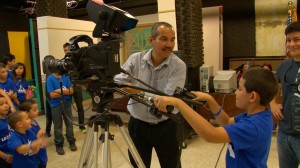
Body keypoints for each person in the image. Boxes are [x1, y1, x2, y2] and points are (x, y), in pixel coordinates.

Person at [154, 68, 278, 168]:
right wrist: (210, 100)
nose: (235, 92)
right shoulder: (258, 115)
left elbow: (211, 134)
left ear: (252, 97)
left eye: (239, 89)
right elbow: (228, 122)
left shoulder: (252, 127)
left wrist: (179, 104)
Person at [114, 22, 186, 168]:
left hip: (166, 126)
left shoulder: (178, 66)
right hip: (137, 125)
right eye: (164, 39)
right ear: (151, 40)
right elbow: (118, 82)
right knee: (138, 165)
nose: (170, 44)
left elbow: (166, 100)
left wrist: (136, 91)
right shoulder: (135, 59)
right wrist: (124, 86)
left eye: (172, 39)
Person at [270, 20, 300, 168]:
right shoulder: (285, 66)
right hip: (285, 133)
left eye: (297, 39)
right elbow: (272, 84)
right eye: (288, 40)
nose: (292, 44)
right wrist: (272, 103)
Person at [46, 61, 77, 155]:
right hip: (56, 105)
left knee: (69, 123)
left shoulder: (66, 77)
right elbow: (52, 95)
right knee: (58, 126)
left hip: (66, 104)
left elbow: (71, 91)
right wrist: (65, 91)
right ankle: (59, 144)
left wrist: (59, 91)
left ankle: (71, 141)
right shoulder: (50, 79)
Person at [63, 43, 85, 133]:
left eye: (68, 49)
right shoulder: (63, 62)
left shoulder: (78, 60)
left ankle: (82, 126)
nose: (67, 51)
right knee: (67, 108)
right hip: (67, 88)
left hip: (77, 86)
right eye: (65, 50)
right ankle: (69, 128)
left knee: (80, 107)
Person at [19, 99, 48, 168]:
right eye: (34, 110)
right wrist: (38, 135)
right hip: (36, 158)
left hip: (42, 154)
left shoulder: (34, 121)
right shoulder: (26, 128)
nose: (37, 111)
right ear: (26, 113)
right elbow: (29, 144)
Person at [42, 55, 55, 138]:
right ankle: (47, 131)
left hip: (51, 95)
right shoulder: (49, 74)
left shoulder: (53, 75)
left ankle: (48, 131)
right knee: (50, 115)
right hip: (48, 95)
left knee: (51, 115)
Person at [0, 94, 13, 168]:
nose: (5, 106)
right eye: (1, 104)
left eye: (6, 103)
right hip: (3, 158)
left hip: (13, 154)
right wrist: (4, 156)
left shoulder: (9, 119)